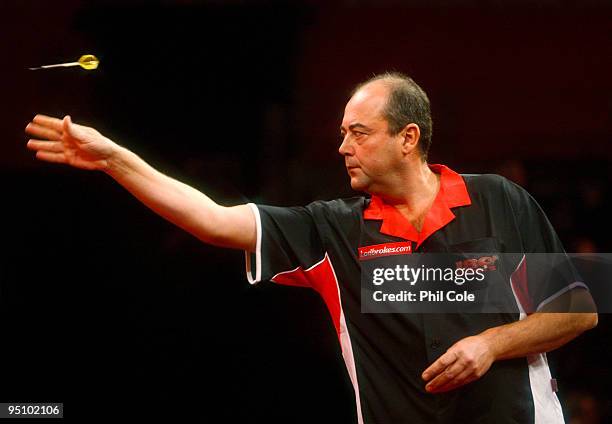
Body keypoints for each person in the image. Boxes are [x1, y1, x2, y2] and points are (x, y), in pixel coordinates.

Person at [25, 72, 597, 423]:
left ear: (408, 138)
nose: (342, 145)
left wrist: (492, 344)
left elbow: (582, 308)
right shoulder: (333, 230)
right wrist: (112, 159)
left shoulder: (500, 199)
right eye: (342, 132)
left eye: (359, 132)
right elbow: (212, 220)